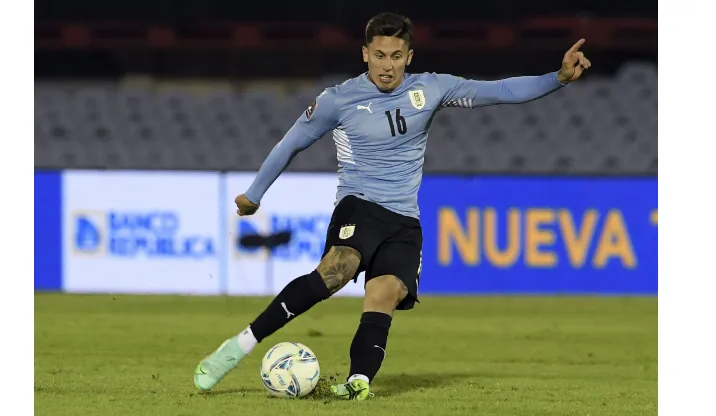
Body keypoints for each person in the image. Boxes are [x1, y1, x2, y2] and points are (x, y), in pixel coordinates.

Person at [194, 12, 591, 400]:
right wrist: (255, 193)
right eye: (380, 55)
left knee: (384, 294)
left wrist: (557, 79)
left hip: (404, 220)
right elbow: (291, 143)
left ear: (409, 57)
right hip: (359, 204)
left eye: (396, 56)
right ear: (365, 54)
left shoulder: (431, 89)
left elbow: (501, 90)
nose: (388, 66)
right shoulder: (339, 99)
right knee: (337, 270)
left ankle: (358, 382)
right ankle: (239, 346)